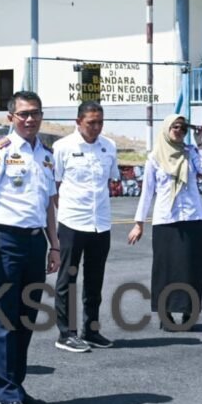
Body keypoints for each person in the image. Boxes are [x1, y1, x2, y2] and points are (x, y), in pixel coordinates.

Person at [0, 90, 60, 404]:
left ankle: (16, 387)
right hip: (3, 240)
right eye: (23, 113)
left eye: (35, 113)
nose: (30, 119)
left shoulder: (46, 154)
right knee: (1, 321)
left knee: (25, 318)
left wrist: (54, 244)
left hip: (34, 242)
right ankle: (6, 394)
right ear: (11, 117)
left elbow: (49, 204)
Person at [50, 101, 119, 352]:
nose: (96, 127)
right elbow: (54, 187)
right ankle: (66, 333)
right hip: (72, 222)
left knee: (95, 280)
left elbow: (109, 183)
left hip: (100, 223)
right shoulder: (62, 147)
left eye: (100, 122)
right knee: (67, 279)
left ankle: (91, 330)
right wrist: (64, 212)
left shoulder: (108, 147)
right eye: (91, 122)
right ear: (78, 121)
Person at [128, 114, 202, 329]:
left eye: (183, 128)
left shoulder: (190, 152)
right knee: (166, 270)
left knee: (192, 268)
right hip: (166, 220)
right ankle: (165, 314)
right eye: (175, 127)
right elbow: (147, 193)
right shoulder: (155, 157)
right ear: (166, 129)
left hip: (192, 217)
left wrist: (199, 141)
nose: (179, 132)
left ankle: (189, 313)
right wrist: (139, 223)